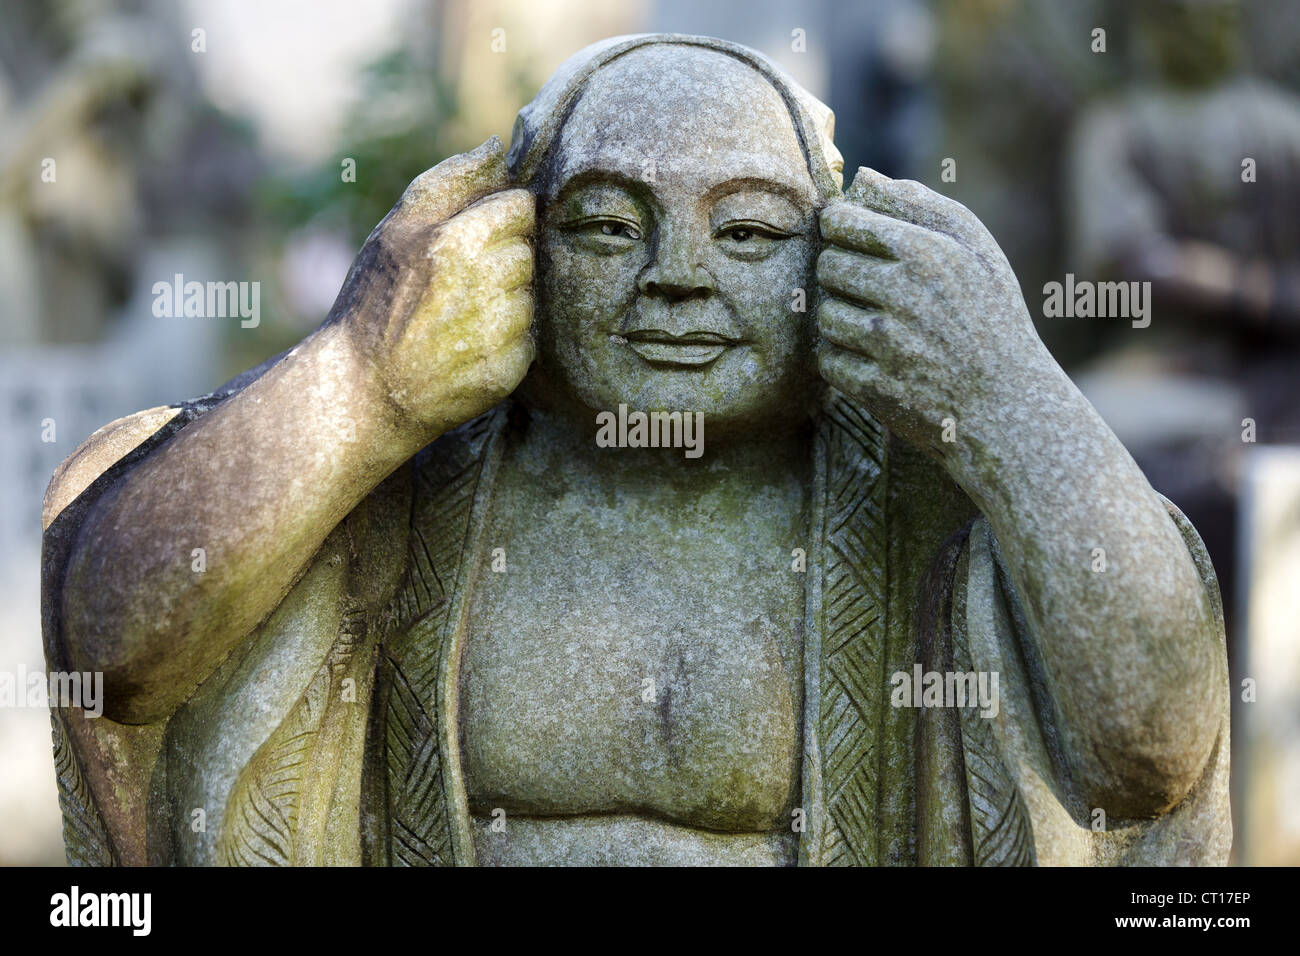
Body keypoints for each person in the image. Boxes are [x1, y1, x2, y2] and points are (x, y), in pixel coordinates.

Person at [43, 34, 1229, 866]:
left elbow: (1152, 742)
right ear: (515, 248)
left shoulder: (922, 497)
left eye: (752, 230)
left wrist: (1007, 393)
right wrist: (357, 383)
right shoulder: (410, 482)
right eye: (609, 221)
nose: (676, 275)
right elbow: (118, 651)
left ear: (836, 257)